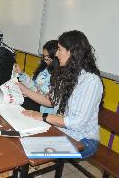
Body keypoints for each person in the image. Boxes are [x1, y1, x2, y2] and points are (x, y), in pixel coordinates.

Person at [16, 30, 103, 158]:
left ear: (71, 52)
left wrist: (43, 116)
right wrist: (25, 90)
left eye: (59, 49)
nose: (56, 54)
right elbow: (51, 101)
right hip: (62, 130)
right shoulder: (66, 74)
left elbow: (77, 122)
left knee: (28, 150)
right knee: (21, 137)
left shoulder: (90, 81)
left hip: (84, 140)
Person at [14, 40, 59, 113]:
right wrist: (21, 74)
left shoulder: (60, 75)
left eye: (48, 58)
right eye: (44, 57)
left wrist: (28, 92)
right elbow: (33, 85)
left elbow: (51, 101)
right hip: (33, 101)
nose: (45, 60)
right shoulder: (43, 68)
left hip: (44, 111)